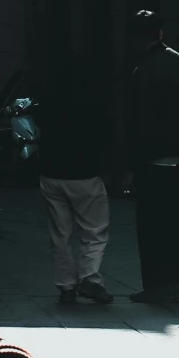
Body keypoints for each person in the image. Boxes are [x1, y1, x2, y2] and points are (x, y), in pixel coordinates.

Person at [124, 9, 179, 308]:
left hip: (152, 160)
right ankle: (175, 285)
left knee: (152, 227)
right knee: (176, 227)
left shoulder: (143, 70)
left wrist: (129, 164)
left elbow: (138, 123)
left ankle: (155, 285)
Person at [37, 62, 113, 307]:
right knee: (94, 229)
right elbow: (104, 134)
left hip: (51, 172)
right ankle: (89, 278)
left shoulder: (48, 101)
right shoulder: (92, 102)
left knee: (60, 233)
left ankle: (66, 287)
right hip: (84, 173)